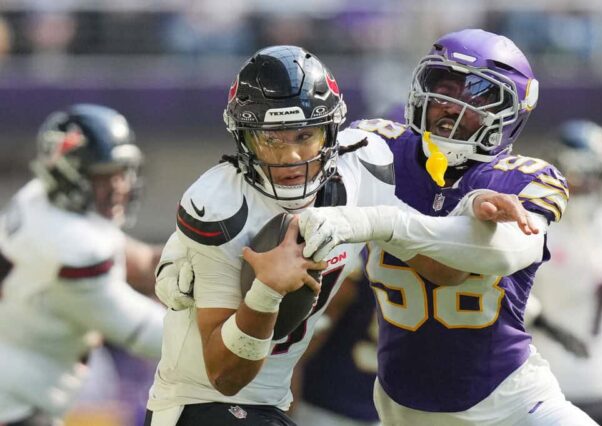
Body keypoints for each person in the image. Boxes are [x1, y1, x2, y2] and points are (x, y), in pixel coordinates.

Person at [147, 44, 541, 426]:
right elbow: (224, 377)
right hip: (197, 406)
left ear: (332, 131)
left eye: (305, 136)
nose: (290, 157)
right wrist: (266, 291)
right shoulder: (218, 205)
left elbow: (443, 270)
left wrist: (469, 205)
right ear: (243, 138)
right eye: (270, 138)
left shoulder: (362, 168)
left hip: (269, 406)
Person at [296, 29, 597, 425]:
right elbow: (308, 204)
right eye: (445, 87)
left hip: (511, 398)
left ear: (512, 113)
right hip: (403, 408)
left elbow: (493, 254)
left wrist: (378, 221)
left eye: (476, 95)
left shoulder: (526, 178)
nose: (451, 106)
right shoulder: (375, 145)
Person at [0, 104, 166, 426]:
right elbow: (157, 338)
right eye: (105, 175)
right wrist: (248, 315)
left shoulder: (39, 199)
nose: (119, 186)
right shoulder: (73, 248)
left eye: (121, 172)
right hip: (15, 405)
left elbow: (145, 262)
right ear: (69, 173)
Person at [529, 120, 602, 426]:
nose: (580, 186)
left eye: (589, 176)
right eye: (573, 177)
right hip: (545, 396)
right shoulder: (534, 230)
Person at [291, 253, 380, 426]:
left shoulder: (365, 254)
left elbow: (324, 318)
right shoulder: (431, 254)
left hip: (324, 399)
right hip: (376, 403)